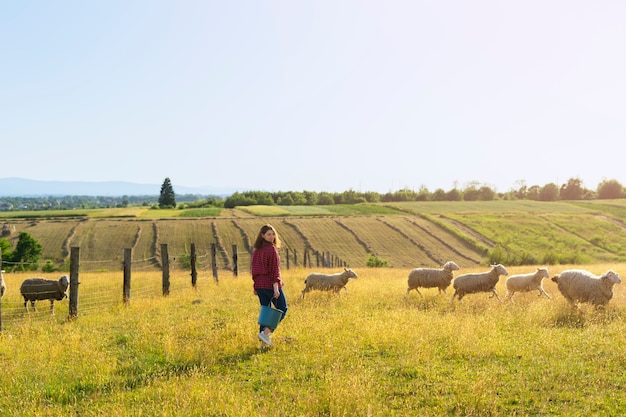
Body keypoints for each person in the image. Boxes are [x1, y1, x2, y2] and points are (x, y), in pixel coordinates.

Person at [251, 224, 288, 347]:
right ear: (262, 235)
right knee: (282, 308)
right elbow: (274, 270)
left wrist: (255, 286)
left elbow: (254, 270)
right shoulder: (271, 249)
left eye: (273, 234)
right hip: (269, 285)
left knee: (265, 312)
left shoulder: (256, 250)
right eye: (268, 234)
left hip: (260, 285)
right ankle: (266, 333)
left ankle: (263, 344)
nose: (272, 237)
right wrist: (276, 287)